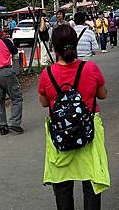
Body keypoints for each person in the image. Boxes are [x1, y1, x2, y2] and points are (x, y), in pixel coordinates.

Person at [38, 25, 110, 210]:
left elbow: (45, 103)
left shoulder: (47, 74)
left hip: (60, 136)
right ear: (75, 45)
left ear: (54, 48)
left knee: (62, 185)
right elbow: (102, 95)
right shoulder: (91, 68)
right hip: (89, 133)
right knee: (90, 183)